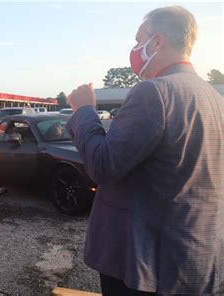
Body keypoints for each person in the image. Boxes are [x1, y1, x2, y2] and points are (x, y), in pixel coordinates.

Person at [66, 6, 223, 295]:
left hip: (148, 265)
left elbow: (103, 165)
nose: (136, 49)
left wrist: (84, 110)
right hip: (197, 260)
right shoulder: (214, 98)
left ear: (158, 41)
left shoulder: (154, 92)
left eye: (140, 41)